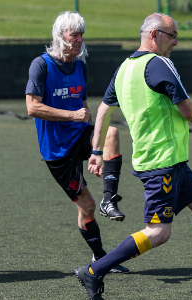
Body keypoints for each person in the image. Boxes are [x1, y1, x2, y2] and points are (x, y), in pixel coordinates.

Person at [74, 12, 192, 300]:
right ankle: (93, 271)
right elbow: (189, 112)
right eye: (173, 36)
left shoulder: (124, 68)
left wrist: (96, 150)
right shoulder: (159, 64)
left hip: (170, 161)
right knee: (158, 232)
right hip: (162, 164)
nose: (176, 43)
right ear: (154, 35)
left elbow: (104, 109)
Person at [25, 11, 128, 274]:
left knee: (112, 134)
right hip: (57, 150)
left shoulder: (81, 64)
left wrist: (95, 152)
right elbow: (32, 107)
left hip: (79, 134)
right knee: (86, 207)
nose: (80, 39)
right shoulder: (42, 65)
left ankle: (110, 199)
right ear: (61, 36)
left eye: (82, 34)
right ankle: (99, 257)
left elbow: (82, 105)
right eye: (75, 35)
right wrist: (73, 115)